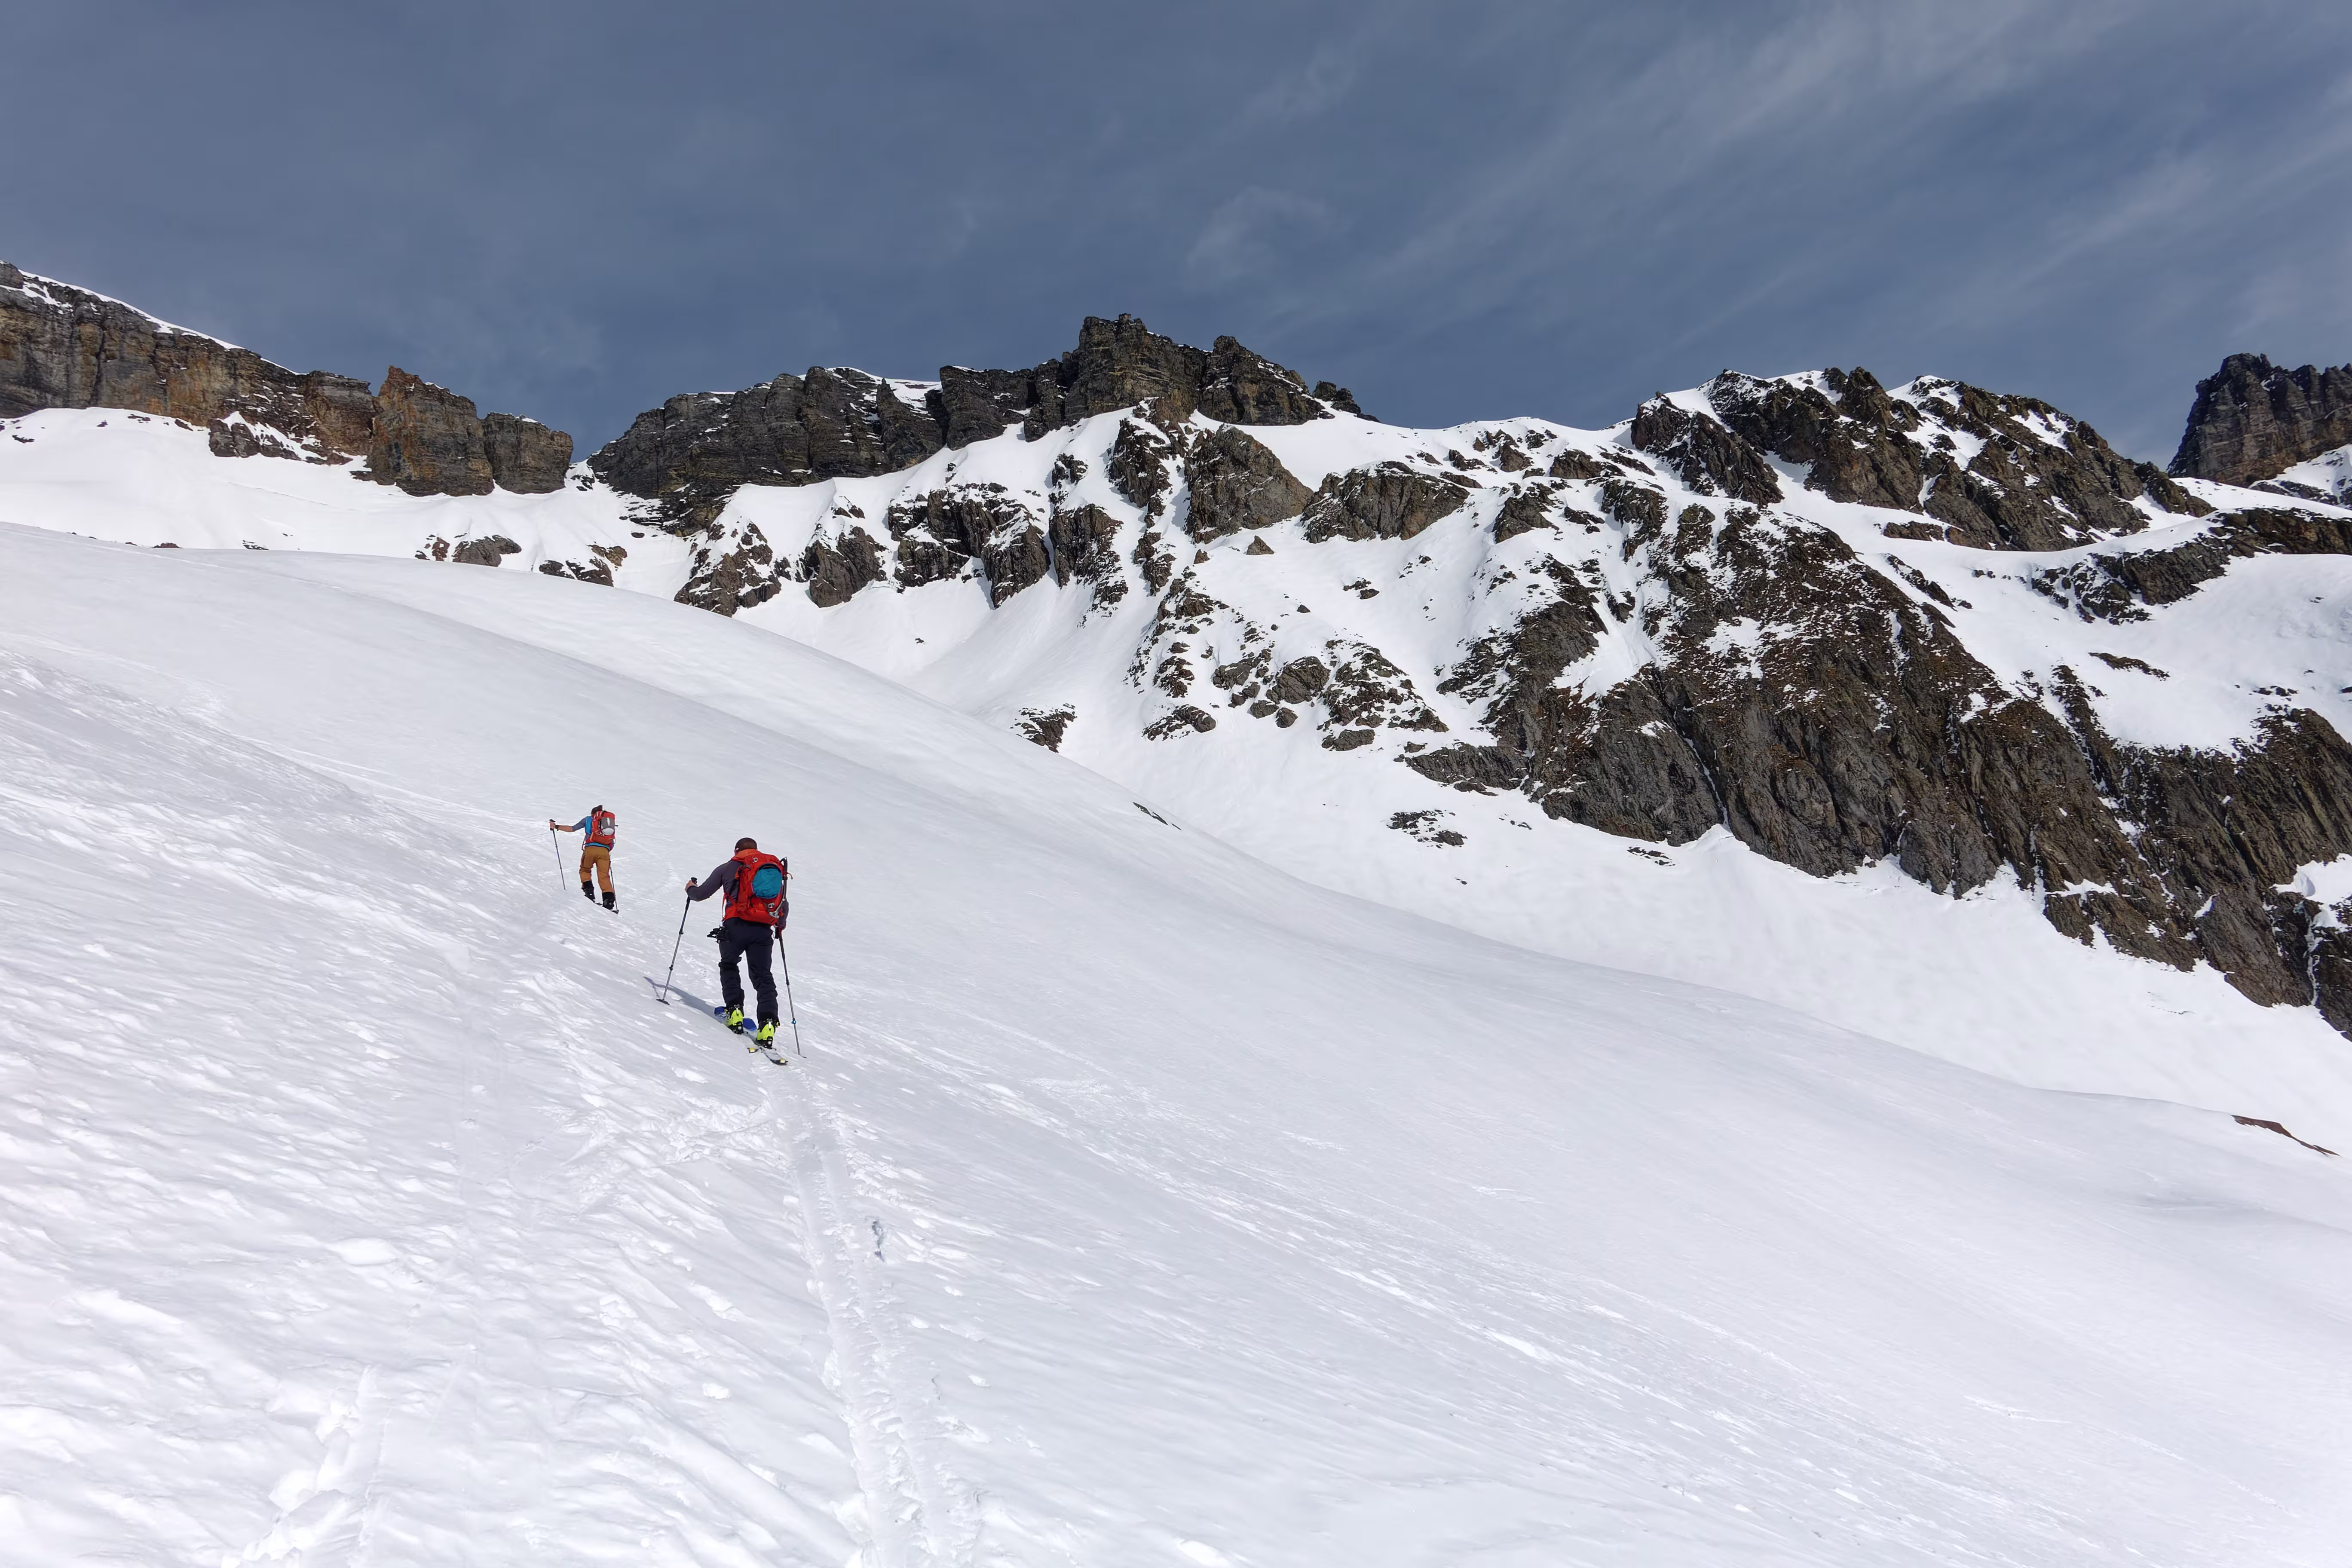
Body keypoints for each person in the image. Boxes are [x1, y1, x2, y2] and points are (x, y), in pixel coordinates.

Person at [685, 837, 789, 1045]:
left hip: (735, 926)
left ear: (736, 850)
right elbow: (783, 903)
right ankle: (768, 1022)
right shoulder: (771, 869)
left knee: (729, 965)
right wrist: (780, 925)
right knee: (763, 976)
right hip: (763, 929)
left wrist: (690, 888)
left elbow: (701, 895)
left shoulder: (729, 867)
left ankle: (734, 1012)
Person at [551, 805, 619, 910]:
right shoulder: (608, 823)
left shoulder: (588, 819)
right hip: (605, 852)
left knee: (585, 870)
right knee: (604, 877)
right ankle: (609, 903)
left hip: (591, 849)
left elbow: (573, 829)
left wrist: (556, 827)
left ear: (593, 813)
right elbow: (612, 842)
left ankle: (590, 895)